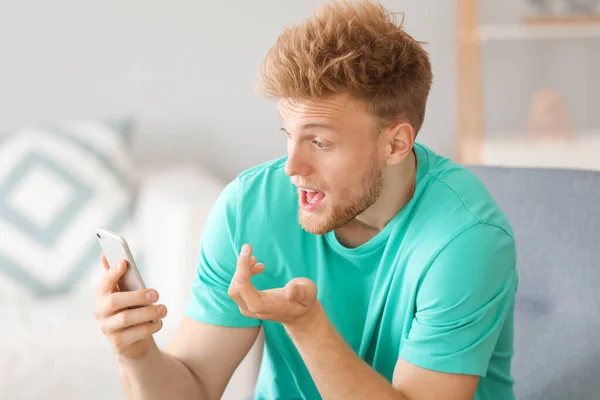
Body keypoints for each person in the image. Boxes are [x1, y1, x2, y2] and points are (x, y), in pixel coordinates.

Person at [93, 1, 518, 399]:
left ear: (395, 144)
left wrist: (307, 325)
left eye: (319, 141)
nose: (292, 167)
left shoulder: (466, 239)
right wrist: (136, 353)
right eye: (288, 136)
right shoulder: (248, 208)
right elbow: (195, 386)